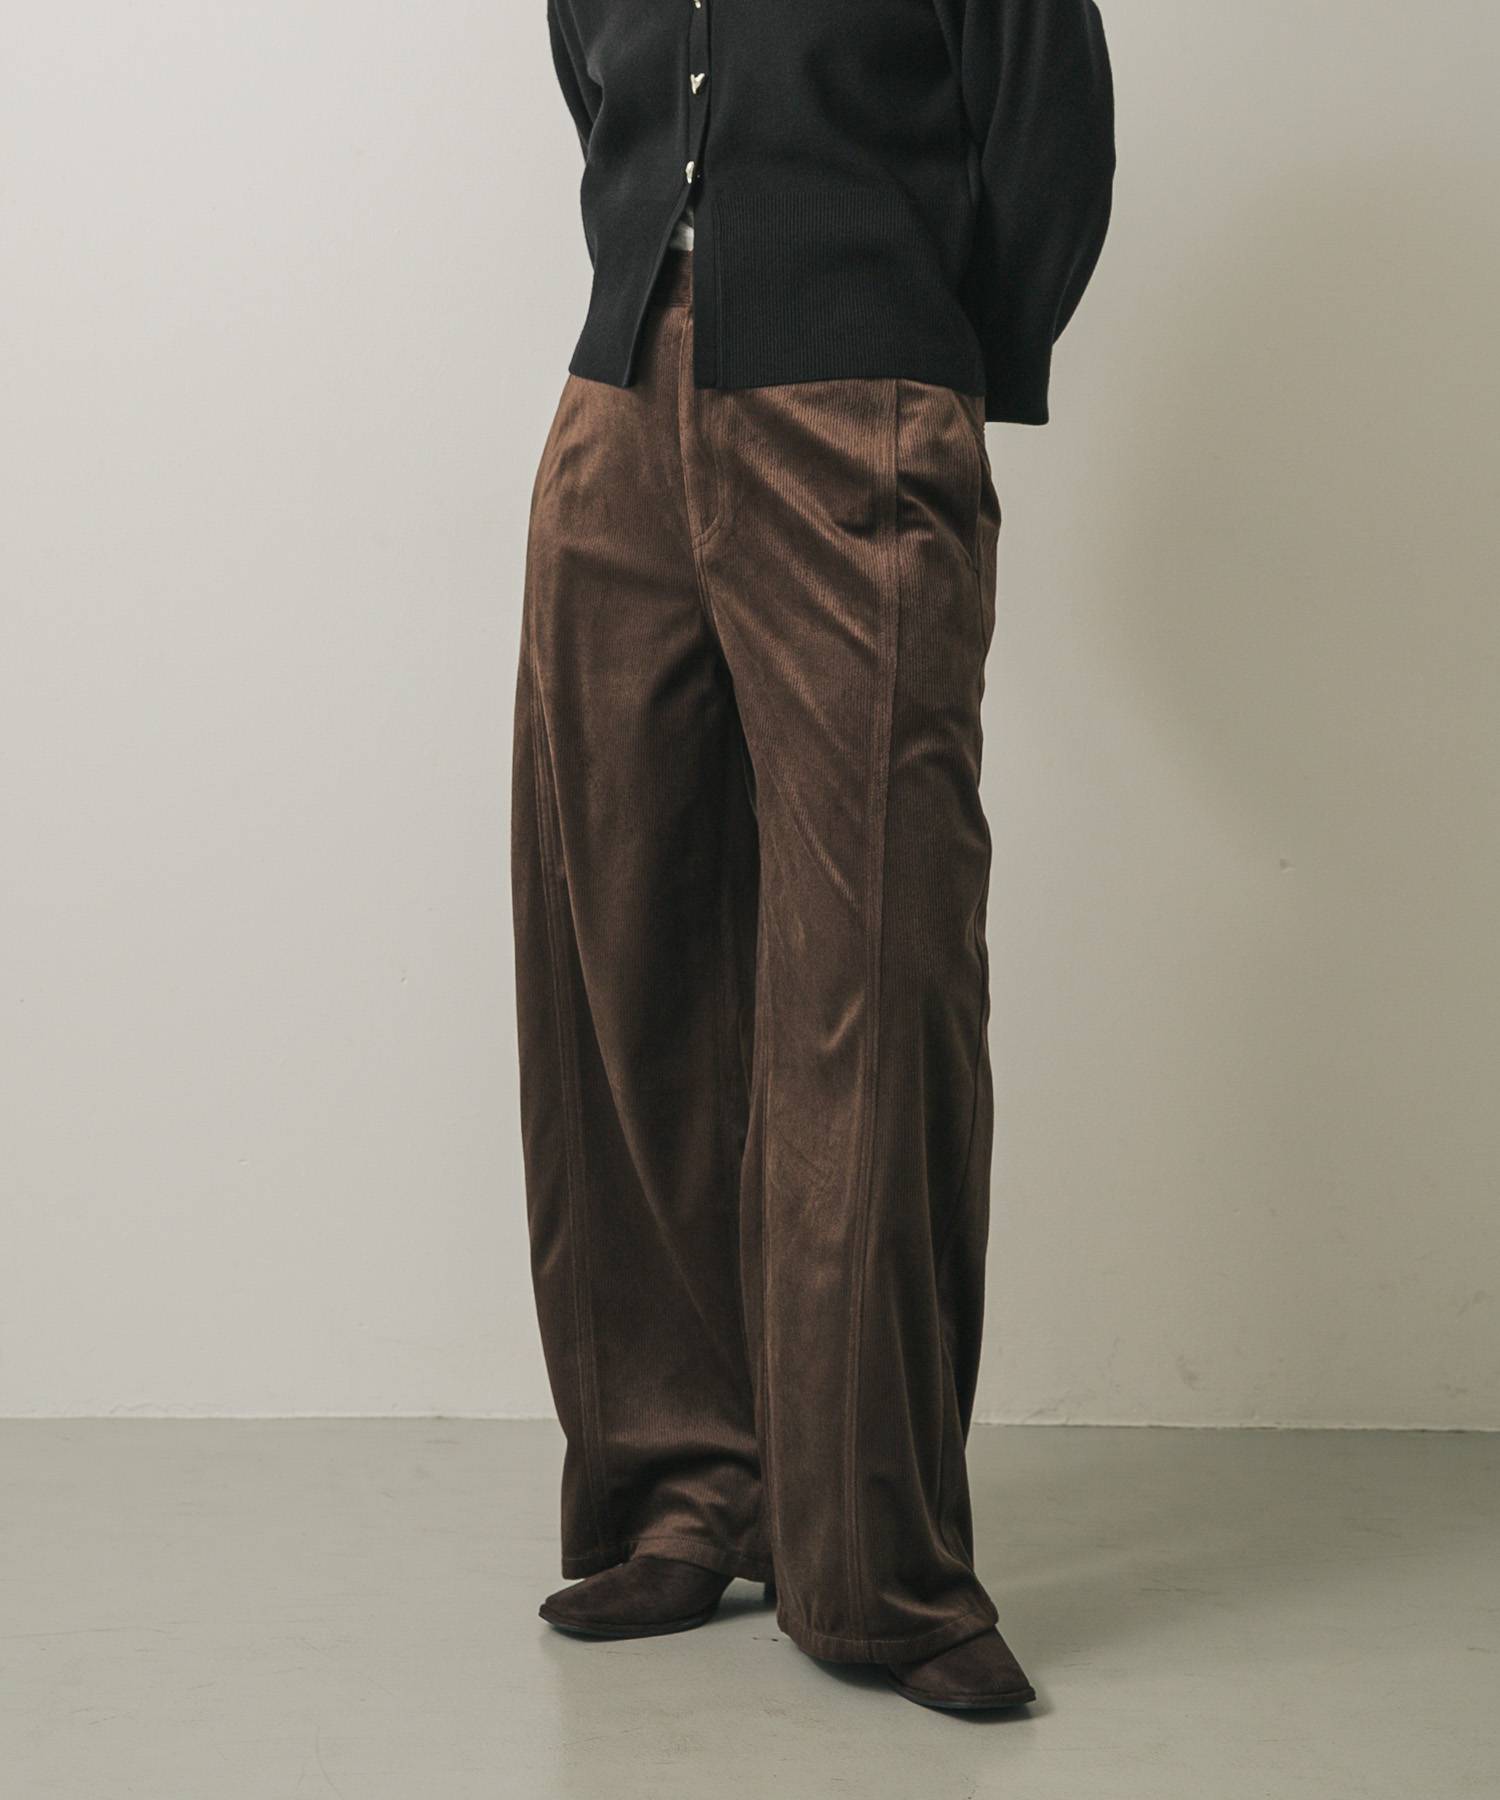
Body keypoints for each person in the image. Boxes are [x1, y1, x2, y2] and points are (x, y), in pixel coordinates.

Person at [512, 0, 1114, 1713]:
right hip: (615, 405)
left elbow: (1052, 140)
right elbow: (596, 95)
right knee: (621, 950)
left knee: (876, 970)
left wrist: (932, 355)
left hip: (862, 404)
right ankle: (684, 1490)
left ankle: (877, 1568)